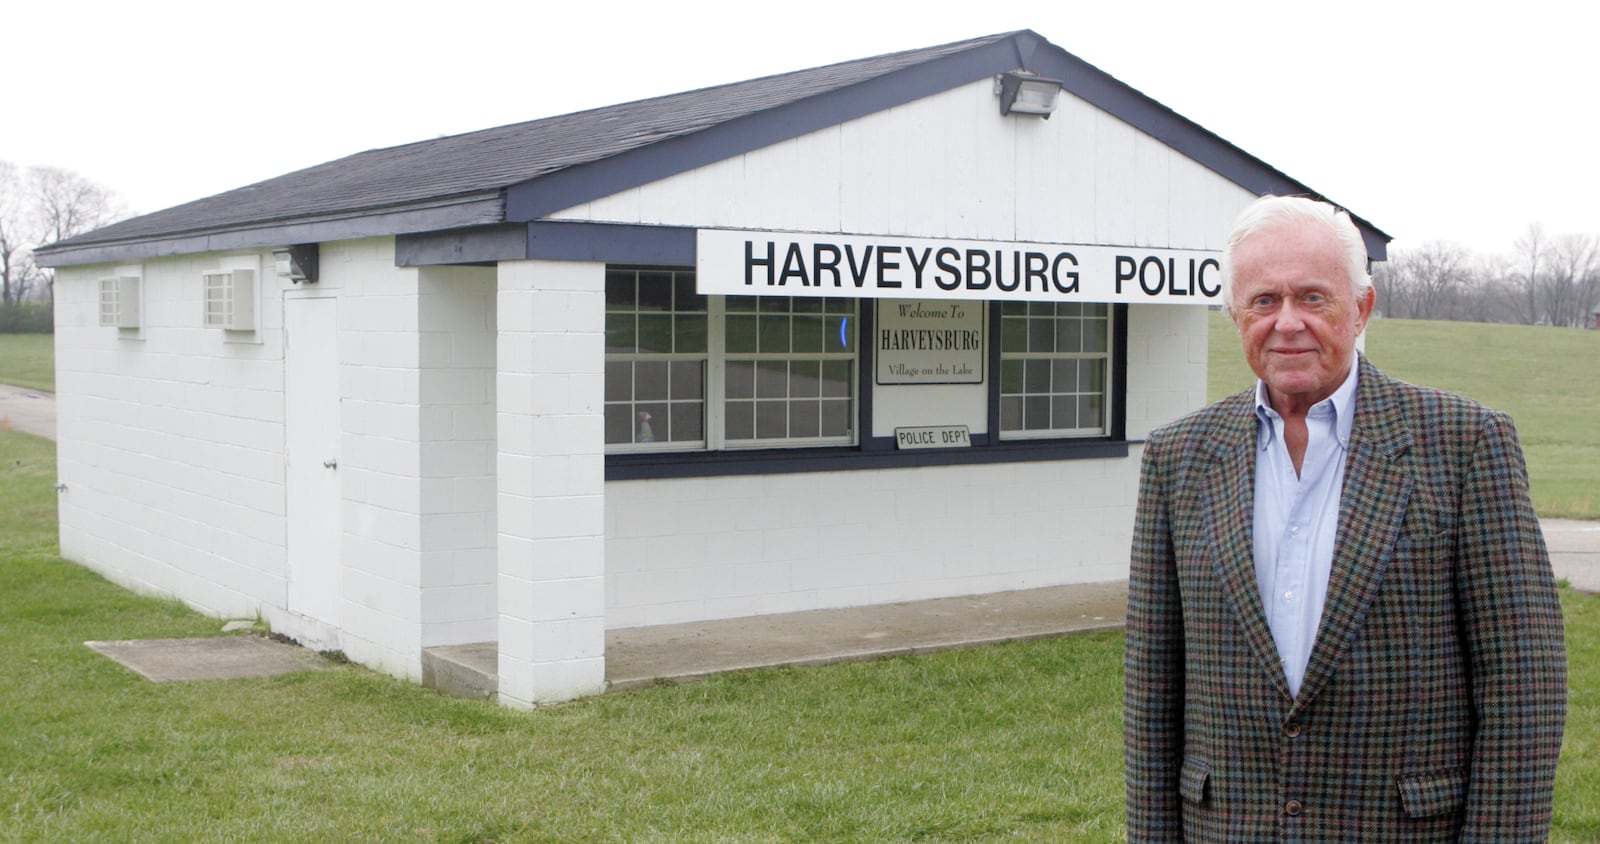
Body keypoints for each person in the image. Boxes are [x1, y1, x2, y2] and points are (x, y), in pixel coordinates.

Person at [1123, 195, 1567, 841]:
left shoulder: (1466, 443)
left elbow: (1523, 683)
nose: (1288, 323)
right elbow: (1152, 684)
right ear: (1234, 315)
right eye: (1264, 301)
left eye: (1313, 297)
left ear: (1361, 308)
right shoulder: (1179, 456)